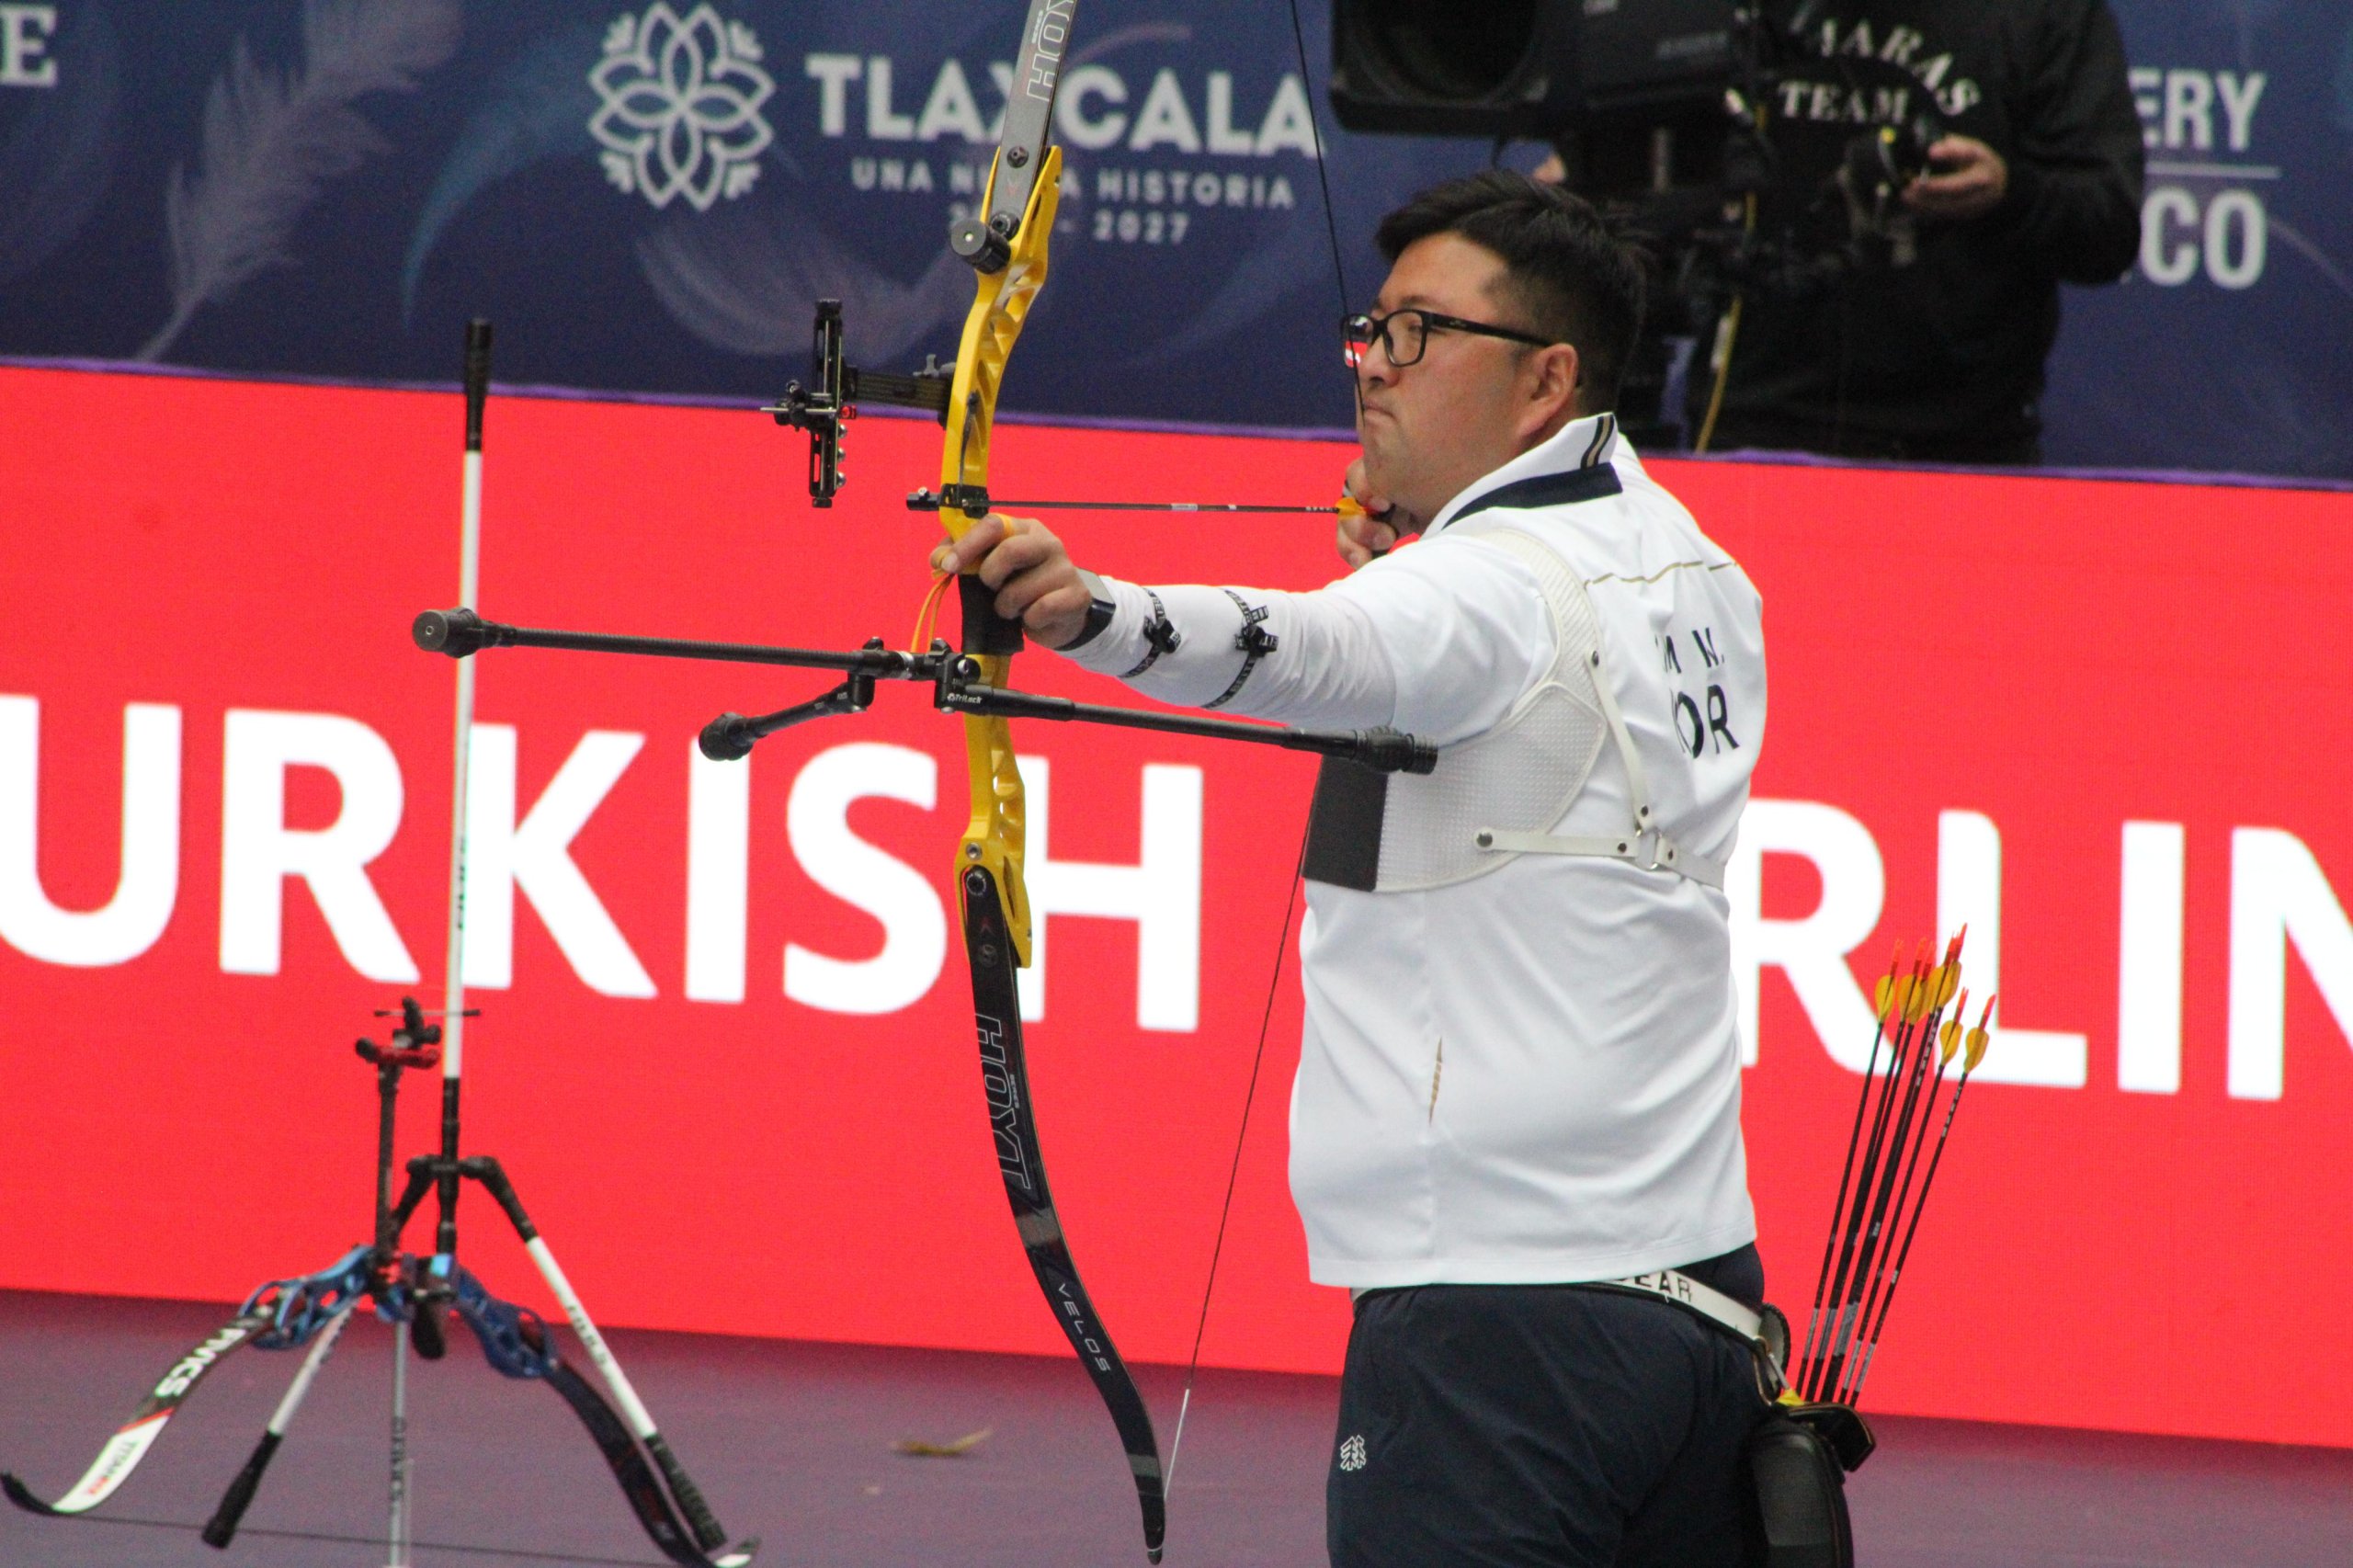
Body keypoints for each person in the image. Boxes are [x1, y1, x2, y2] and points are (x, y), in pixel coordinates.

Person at [936, 170, 1773, 1566]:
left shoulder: (1485, 591)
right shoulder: (1697, 568)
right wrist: (1416, 561)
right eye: (1370, 330)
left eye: (1418, 335)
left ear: (1545, 379)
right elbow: (1465, 675)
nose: (1372, 370)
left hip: (1503, 1334)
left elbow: (1324, 647)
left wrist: (1085, 612)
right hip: (1701, 1302)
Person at [1547, 0, 2143, 464]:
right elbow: (1648, 167)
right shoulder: (1736, 11)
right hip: (1751, 430)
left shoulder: (2044, 15)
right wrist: (1592, 183)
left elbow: (2108, 228)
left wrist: (2009, 193)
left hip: (1961, 446)